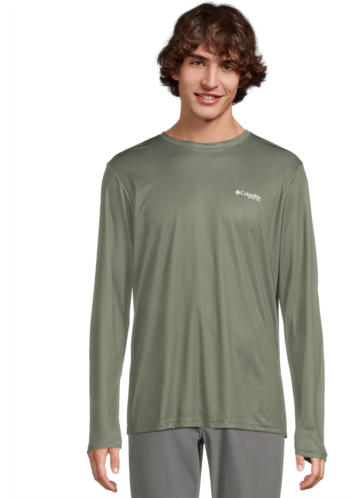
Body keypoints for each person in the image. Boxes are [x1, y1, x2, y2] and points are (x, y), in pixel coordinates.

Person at [87, 2, 327, 496]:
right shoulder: (128, 173)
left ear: (243, 76)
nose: (211, 80)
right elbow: (109, 305)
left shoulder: (282, 173)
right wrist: (101, 422)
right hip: (157, 407)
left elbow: (301, 307)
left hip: (253, 410)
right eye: (198, 61)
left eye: (228, 65)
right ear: (175, 67)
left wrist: (311, 425)